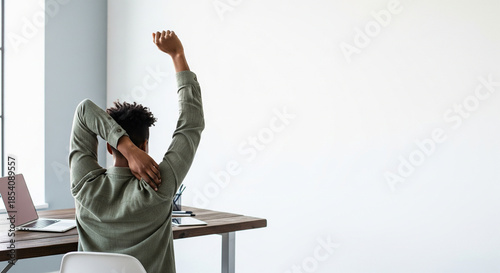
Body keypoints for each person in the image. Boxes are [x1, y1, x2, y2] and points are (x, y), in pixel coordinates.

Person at [69, 30, 204, 273]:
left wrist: (126, 148)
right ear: (146, 145)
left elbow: (84, 111)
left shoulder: (84, 185)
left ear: (109, 146)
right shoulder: (159, 185)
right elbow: (191, 123)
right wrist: (177, 55)